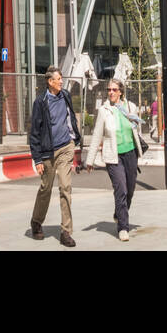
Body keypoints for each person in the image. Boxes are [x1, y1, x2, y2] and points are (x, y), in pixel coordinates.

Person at [84, 78, 143, 242]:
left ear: (121, 92)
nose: (111, 92)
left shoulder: (130, 107)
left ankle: (119, 213)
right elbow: (97, 134)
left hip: (131, 153)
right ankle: (123, 227)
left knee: (130, 190)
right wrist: (90, 159)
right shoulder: (104, 110)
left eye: (114, 90)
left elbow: (136, 129)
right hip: (113, 156)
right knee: (121, 190)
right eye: (109, 89)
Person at [28, 67, 82, 247]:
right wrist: (37, 159)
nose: (61, 81)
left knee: (66, 187)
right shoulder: (41, 102)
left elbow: (70, 117)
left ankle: (66, 231)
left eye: (61, 78)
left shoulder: (65, 95)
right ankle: (36, 221)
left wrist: (74, 138)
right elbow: (34, 133)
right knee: (46, 188)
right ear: (50, 82)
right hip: (48, 152)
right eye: (58, 79)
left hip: (66, 147)